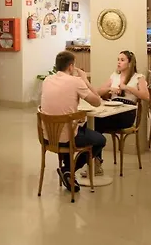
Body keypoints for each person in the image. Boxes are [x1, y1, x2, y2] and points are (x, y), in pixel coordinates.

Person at [41, 51, 105, 192]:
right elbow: (97, 102)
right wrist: (85, 80)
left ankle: (68, 173)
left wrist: (75, 116)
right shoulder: (76, 82)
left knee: (71, 130)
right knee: (100, 140)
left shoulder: (47, 80)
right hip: (67, 138)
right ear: (71, 66)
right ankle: (69, 169)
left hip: (47, 137)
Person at [94, 51, 149, 175]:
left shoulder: (138, 77)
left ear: (130, 63)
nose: (119, 62)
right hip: (113, 109)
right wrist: (110, 89)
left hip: (127, 112)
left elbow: (146, 96)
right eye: (118, 59)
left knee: (97, 124)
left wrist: (128, 88)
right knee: (94, 124)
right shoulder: (115, 76)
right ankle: (95, 161)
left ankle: (95, 162)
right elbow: (97, 92)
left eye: (122, 60)